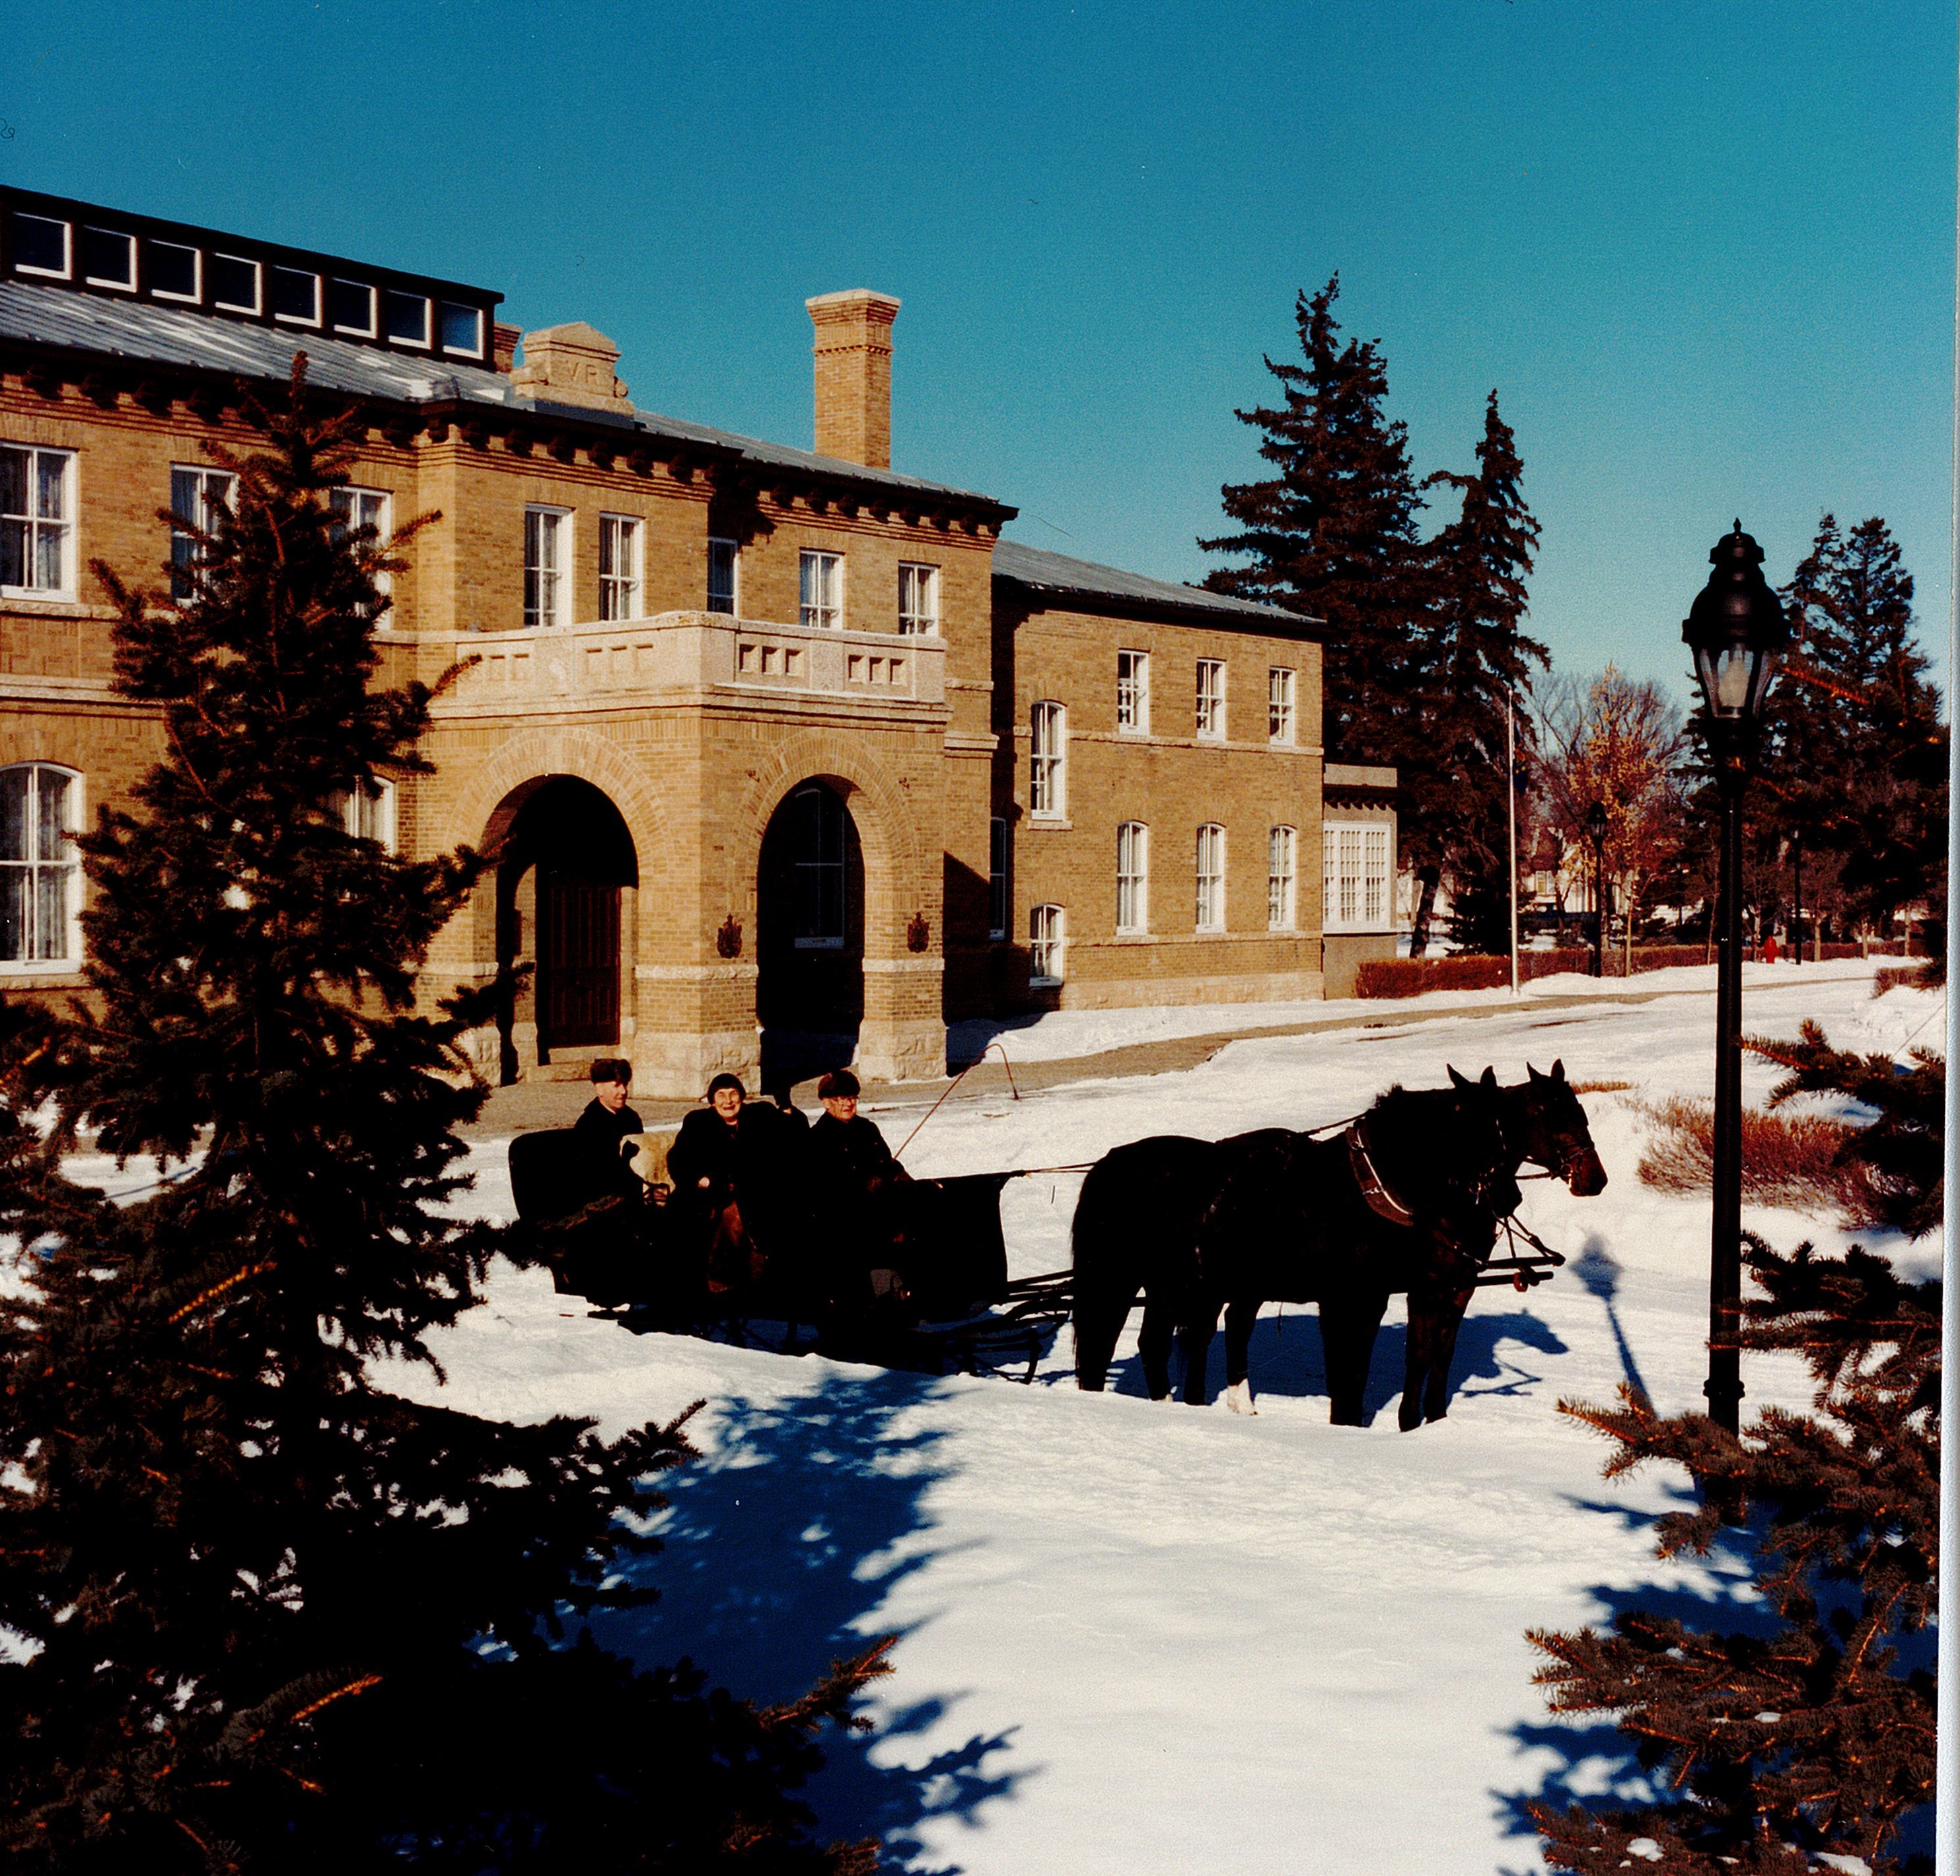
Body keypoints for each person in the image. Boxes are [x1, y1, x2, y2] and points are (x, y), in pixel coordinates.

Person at [806, 1069, 912, 1328]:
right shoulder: (817, 1138)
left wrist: (899, 1177)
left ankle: (901, 1301)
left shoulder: (868, 1129)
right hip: (839, 1222)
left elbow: (886, 1163)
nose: (848, 1104)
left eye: (852, 1097)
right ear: (826, 1102)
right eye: (841, 1098)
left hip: (879, 1212)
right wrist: (864, 1185)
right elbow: (822, 1188)